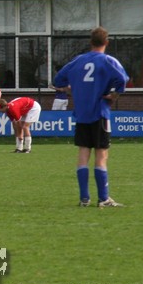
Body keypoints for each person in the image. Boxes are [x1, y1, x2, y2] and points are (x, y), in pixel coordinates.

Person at [52, 26, 129, 208]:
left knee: (83, 153)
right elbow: (123, 79)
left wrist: (72, 89)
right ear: (106, 42)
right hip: (99, 112)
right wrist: (114, 95)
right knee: (101, 155)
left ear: (90, 42)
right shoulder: (108, 60)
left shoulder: (78, 61)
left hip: (81, 114)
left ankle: (84, 198)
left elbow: (58, 80)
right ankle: (103, 198)